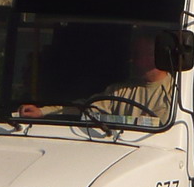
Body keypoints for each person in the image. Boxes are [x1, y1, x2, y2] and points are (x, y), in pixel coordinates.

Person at [18, 32, 174, 124]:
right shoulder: (119, 91)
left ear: (155, 57)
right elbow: (86, 106)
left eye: (136, 55)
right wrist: (42, 112)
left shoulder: (177, 94)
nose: (131, 60)